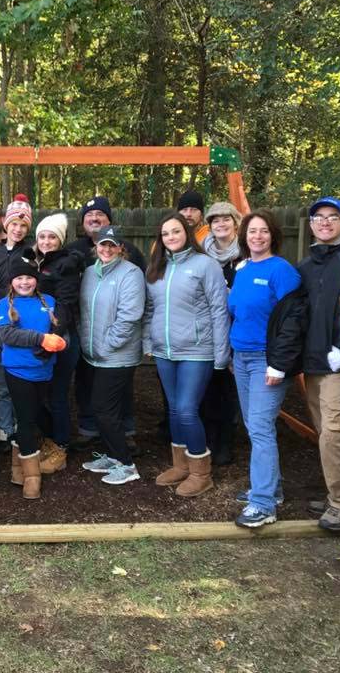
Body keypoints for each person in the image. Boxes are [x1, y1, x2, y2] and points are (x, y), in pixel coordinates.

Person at [228, 210, 306, 528]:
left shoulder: (281, 271)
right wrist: (234, 357)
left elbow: (294, 321)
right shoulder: (243, 269)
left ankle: (262, 505)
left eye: (263, 231)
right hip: (242, 357)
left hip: (267, 359)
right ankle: (270, 490)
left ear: (273, 235)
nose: (257, 236)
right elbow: (238, 313)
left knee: (260, 427)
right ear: (244, 236)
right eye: (251, 231)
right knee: (253, 425)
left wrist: (279, 364)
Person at [143, 213, 230, 497]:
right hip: (165, 350)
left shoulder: (205, 265)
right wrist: (149, 341)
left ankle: (200, 472)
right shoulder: (157, 268)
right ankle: (180, 466)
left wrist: (221, 353)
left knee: (186, 410)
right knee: (172, 408)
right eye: (165, 233)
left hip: (197, 349)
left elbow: (219, 309)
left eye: (176, 231)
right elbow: (151, 310)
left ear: (187, 233)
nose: (171, 237)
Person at [297, 196, 340, 533]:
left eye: (332, 217)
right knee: (328, 432)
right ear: (311, 224)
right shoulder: (306, 266)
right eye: (318, 217)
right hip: (312, 363)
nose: (325, 222)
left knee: (335, 432)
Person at [66, 196, 143, 452]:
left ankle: (123, 439)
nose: (95, 218)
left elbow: (131, 312)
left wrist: (108, 343)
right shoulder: (79, 258)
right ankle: (93, 431)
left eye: (100, 214)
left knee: (114, 393)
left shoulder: (131, 266)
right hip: (88, 339)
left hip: (114, 346)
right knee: (89, 389)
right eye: (89, 215)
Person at [78, 225, 145, 486]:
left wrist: (107, 345)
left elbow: (130, 316)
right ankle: (112, 456)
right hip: (93, 354)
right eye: (102, 245)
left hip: (118, 356)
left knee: (104, 409)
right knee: (104, 408)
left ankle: (127, 464)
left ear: (121, 249)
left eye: (112, 245)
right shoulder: (89, 273)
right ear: (96, 247)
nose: (106, 249)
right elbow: (82, 312)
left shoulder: (131, 274)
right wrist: (89, 344)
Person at [0, 252, 65, 499]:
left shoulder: (48, 301)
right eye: (19, 278)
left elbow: (58, 330)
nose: (24, 282)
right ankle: (32, 477)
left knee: (34, 415)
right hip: (18, 371)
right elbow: (8, 336)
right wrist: (41, 339)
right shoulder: (5, 304)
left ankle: (17, 469)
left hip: (43, 371)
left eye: (29, 278)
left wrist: (55, 344)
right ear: (11, 282)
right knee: (26, 419)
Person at [0, 195, 36, 449]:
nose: (17, 229)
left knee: (22, 379)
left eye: (23, 225)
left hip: (25, 325)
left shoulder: (31, 254)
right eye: (14, 223)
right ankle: (4, 429)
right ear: (6, 223)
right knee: (0, 381)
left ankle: (22, 426)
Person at [32, 212, 83, 474]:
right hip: (39, 336)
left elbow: (65, 304)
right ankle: (50, 438)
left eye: (52, 237)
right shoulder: (34, 261)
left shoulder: (65, 264)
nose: (47, 241)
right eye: (42, 236)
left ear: (60, 240)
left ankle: (61, 446)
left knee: (57, 395)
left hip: (60, 337)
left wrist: (55, 335)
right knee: (40, 394)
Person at [199, 201, 243, 465]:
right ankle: (208, 438)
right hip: (208, 328)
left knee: (228, 386)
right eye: (215, 221)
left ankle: (226, 441)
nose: (221, 225)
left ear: (235, 223)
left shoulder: (245, 254)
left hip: (235, 327)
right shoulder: (203, 255)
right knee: (208, 385)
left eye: (226, 220)